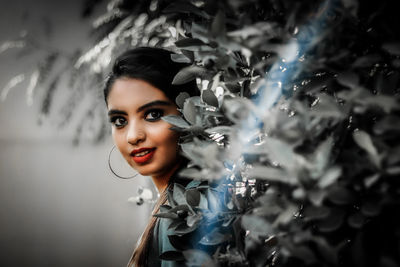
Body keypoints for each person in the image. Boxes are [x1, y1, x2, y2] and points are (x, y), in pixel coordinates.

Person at [103, 47, 199, 267]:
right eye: (120, 120)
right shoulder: (181, 198)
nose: (133, 136)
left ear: (189, 113)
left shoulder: (184, 212)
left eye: (153, 114)